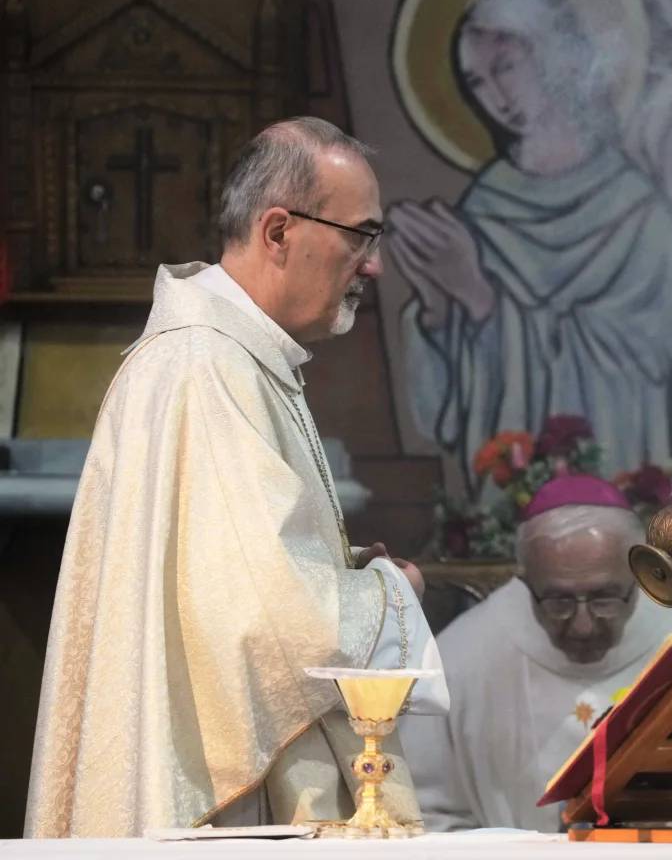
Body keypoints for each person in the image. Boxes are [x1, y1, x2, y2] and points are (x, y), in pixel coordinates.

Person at [25, 117, 447, 838]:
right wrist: (391, 594)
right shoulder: (209, 367)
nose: (372, 264)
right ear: (279, 231)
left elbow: (229, 584)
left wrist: (338, 573)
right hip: (225, 810)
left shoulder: (227, 360)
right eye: (361, 235)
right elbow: (265, 621)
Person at [386, 0, 672, 489]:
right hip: (522, 512)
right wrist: (440, 312)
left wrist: (482, 298)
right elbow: (444, 418)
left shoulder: (636, 211)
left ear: (555, 57)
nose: (496, 96)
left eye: (506, 67)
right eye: (477, 81)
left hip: (635, 496)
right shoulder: (483, 210)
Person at [400, 475, 672, 831]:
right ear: (525, 580)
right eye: (558, 601)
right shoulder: (463, 656)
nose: (583, 626)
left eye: (604, 597)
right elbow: (426, 813)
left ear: (639, 575)